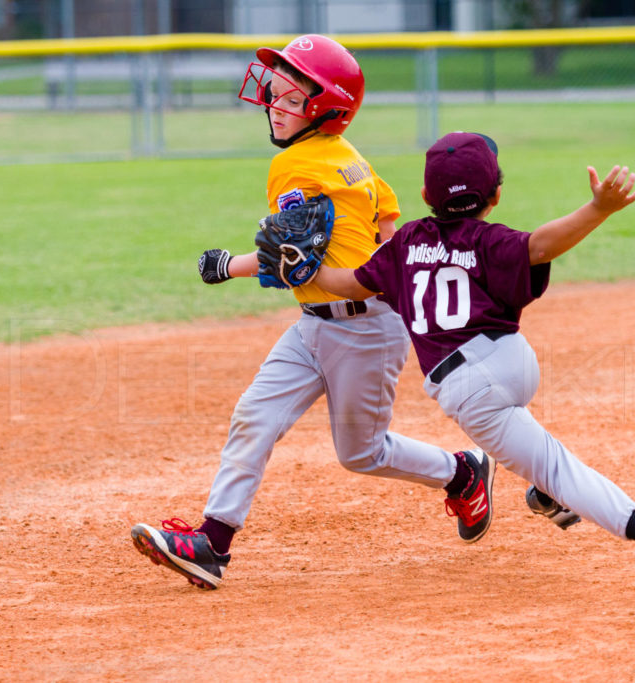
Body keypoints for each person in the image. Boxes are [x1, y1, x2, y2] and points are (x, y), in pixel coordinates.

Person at [130, 35, 505, 590]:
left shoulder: (298, 167)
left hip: (364, 331)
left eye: (286, 95)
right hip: (316, 325)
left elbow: (292, 260)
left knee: (362, 453)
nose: (271, 102)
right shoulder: (349, 157)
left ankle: (461, 472)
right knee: (253, 416)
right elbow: (387, 216)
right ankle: (212, 544)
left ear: (324, 107)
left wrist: (225, 265)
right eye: (274, 91)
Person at [310, 130, 635, 588]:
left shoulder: (407, 241)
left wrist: (305, 268)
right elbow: (540, 244)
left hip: (468, 388)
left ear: (423, 195)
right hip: (513, 360)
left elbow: (352, 283)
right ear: (495, 195)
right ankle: (547, 495)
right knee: (537, 458)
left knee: (557, 466)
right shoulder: (488, 240)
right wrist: (599, 208)